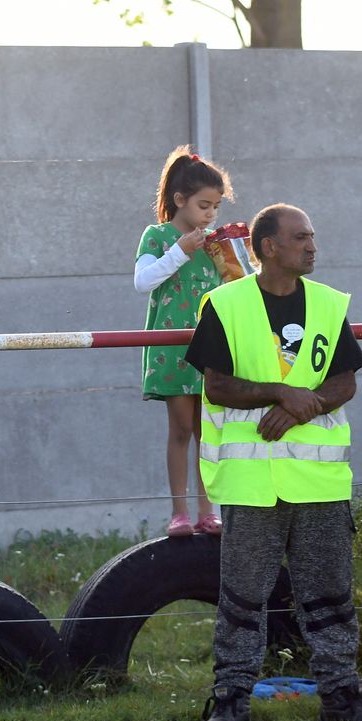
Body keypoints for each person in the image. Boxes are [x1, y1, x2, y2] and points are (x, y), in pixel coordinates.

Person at [186, 203, 362, 721]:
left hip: (318, 482)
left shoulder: (329, 305)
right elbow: (216, 385)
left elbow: (344, 381)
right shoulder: (225, 304)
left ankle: (343, 697)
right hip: (251, 482)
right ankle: (230, 700)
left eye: (312, 236)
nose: (312, 245)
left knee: (330, 595)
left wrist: (301, 404)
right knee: (242, 597)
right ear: (268, 248)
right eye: (301, 237)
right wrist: (280, 392)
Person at [133, 146, 234, 537]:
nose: (210, 215)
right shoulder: (158, 237)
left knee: (209, 430)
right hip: (173, 348)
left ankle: (209, 510)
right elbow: (143, 282)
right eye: (204, 205)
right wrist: (180, 251)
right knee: (180, 429)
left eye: (216, 207)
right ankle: (179, 511)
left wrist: (236, 261)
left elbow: (235, 286)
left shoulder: (214, 244)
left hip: (211, 347)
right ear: (180, 201)